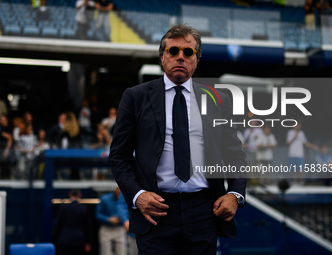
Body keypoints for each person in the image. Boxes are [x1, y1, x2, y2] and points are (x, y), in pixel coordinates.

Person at [109, 24, 246, 255]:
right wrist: (137, 195)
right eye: (173, 51)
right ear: (162, 57)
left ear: (197, 59)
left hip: (205, 210)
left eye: (188, 52)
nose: (180, 57)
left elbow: (235, 155)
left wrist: (235, 194)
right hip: (155, 211)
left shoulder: (218, 100)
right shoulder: (135, 97)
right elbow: (119, 156)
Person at [54, 189, 92, 255]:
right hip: (79, 239)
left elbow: (58, 224)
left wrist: (56, 238)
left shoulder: (63, 207)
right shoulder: (83, 208)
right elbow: (87, 226)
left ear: (70, 194)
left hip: (65, 239)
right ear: (80, 195)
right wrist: (88, 242)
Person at [96, 187, 128, 255]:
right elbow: (98, 214)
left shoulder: (125, 198)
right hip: (106, 228)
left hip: (119, 228)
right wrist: (108, 219)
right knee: (105, 252)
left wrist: (123, 218)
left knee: (122, 252)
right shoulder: (105, 198)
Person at [0, 115, 13, 179]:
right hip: (1, 148)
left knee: (5, 163)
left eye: (2, 120)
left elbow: (10, 139)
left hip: (7, 149)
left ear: (6, 120)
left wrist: (6, 151)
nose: (1, 121)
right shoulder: (1, 128)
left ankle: (7, 177)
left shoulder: (9, 128)